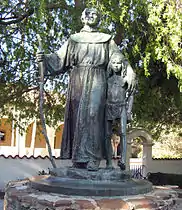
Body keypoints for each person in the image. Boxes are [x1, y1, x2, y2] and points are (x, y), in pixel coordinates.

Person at [37, 8, 135, 171]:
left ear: (99, 19)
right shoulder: (74, 39)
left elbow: (120, 58)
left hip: (98, 79)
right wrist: (44, 59)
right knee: (78, 117)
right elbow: (58, 59)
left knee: (93, 114)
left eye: (94, 14)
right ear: (82, 17)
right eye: (87, 14)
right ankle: (79, 159)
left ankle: (93, 158)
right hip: (78, 80)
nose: (90, 16)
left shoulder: (106, 40)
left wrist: (129, 71)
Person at [105, 53, 136, 170]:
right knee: (107, 135)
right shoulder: (106, 80)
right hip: (108, 107)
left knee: (123, 133)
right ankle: (108, 162)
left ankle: (122, 160)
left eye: (118, 63)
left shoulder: (125, 79)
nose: (116, 66)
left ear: (122, 65)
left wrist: (129, 111)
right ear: (110, 65)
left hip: (121, 107)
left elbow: (131, 95)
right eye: (114, 63)